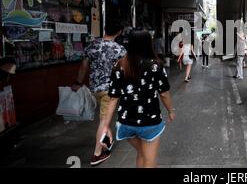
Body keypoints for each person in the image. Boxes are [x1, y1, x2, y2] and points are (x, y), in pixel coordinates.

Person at [101, 30, 175, 168]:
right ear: (149, 44)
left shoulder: (120, 65)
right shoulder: (156, 66)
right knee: (150, 161)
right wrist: (171, 110)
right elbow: (164, 93)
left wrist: (106, 126)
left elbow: (113, 98)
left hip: (126, 123)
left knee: (142, 154)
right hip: (149, 123)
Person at [72, 21, 126, 166]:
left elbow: (83, 67)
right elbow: (123, 71)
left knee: (104, 118)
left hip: (94, 89)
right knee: (104, 121)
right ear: (120, 32)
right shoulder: (120, 50)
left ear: (105, 29)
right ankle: (97, 154)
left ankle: (107, 141)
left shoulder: (92, 45)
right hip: (110, 90)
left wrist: (78, 83)